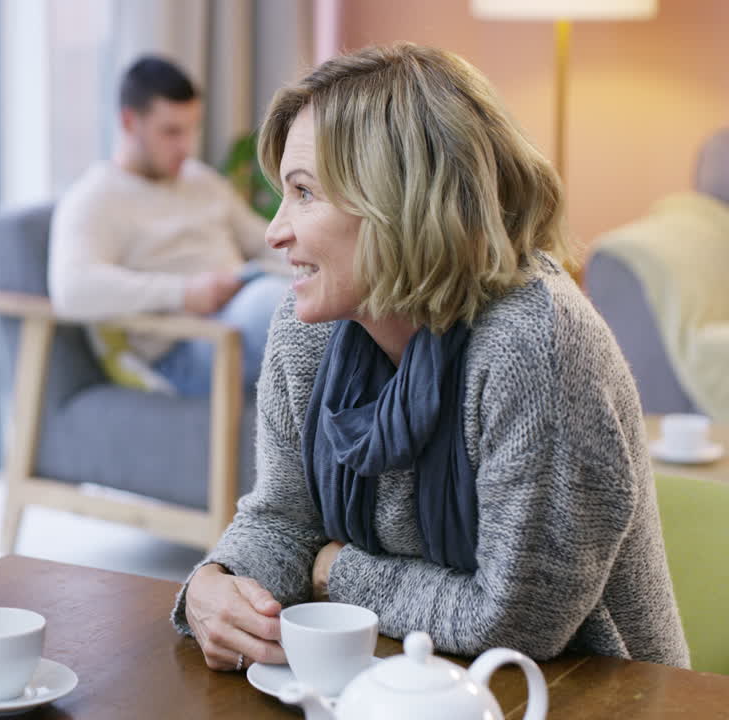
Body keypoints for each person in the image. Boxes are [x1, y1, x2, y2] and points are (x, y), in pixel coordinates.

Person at [172, 43, 690, 672]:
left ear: (399, 202)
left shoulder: (536, 347)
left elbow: (514, 623)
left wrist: (337, 570)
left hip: (584, 694)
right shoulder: (309, 325)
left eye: (304, 193)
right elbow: (283, 516)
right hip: (393, 680)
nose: (275, 231)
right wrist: (218, 581)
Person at [48, 55, 290, 397]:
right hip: (188, 348)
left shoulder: (200, 180)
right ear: (130, 122)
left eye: (193, 129)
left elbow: (266, 241)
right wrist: (184, 293)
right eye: (171, 132)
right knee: (284, 306)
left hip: (243, 310)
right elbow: (72, 289)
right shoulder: (95, 198)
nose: (187, 146)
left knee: (328, 298)